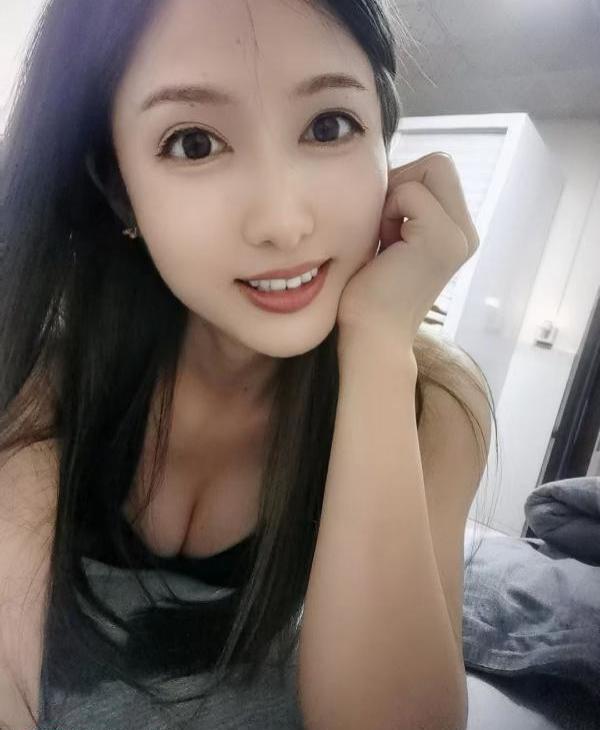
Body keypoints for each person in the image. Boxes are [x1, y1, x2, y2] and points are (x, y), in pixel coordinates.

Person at [0, 0, 496, 728]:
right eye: (194, 142)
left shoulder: (435, 408)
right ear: (119, 189)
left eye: (329, 126)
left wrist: (378, 348)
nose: (283, 224)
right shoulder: (44, 377)